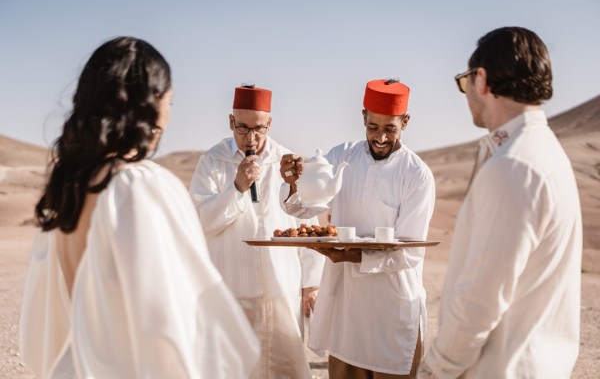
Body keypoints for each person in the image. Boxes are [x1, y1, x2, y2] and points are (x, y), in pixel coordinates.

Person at [19, 37, 259, 378]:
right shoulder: (137, 186)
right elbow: (175, 327)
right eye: (171, 102)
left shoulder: (67, 189)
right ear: (153, 103)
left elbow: (43, 327)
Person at [418, 27, 583, 378]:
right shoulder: (542, 151)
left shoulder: (514, 166)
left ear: (482, 79)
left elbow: (480, 298)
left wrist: (436, 369)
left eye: (465, 83)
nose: (466, 96)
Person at [279, 78, 436, 378]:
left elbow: (411, 253)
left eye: (390, 128)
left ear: (406, 121)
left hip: (392, 311)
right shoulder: (342, 156)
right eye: (373, 127)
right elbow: (303, 207)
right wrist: (293, 183)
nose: (380, 137)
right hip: (346, 311)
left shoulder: (417, 175)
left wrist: (353, 256)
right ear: (363, 117)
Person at [188, 84, 325, 379]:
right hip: (230, 287)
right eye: (243, 128)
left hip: (280, 287)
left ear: (270, 124)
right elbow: (198, 221)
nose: (251, 137)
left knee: (283, 366)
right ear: (230, 122)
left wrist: (311, 283)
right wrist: (236, 188)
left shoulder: (287, 160)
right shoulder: (212, 161)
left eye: (259, 129)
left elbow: (306, 223)